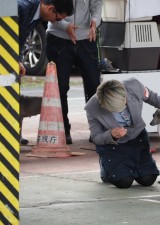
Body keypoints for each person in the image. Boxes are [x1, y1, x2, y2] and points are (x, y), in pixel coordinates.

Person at [85, 78, 160, 189]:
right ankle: (106, 167)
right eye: (115, 110)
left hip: (137, 136)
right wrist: (111, 134)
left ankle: (135, 165)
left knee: (148, 179)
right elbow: (96, 137)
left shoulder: (134, 85)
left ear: (125, 95)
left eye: (123, 105)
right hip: (113, 145)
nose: (121, 111)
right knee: (124, 182)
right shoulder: (92, 107)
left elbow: (151, 97)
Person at [46, 0, 102, 144]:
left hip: (87, 37)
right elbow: (48, 10)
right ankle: (63, 129)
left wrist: (95, 21)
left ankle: (96, 129)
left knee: (94, 85)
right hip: (58, 37)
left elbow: (96, 5)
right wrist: (65, 25)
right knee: (60, 86)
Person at [18, 0, 74, 145]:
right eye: (57, 19)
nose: (56, 22)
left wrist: (17, 59)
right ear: (50, 8)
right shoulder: (21, 8)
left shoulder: (34, 14)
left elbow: (20, 38)